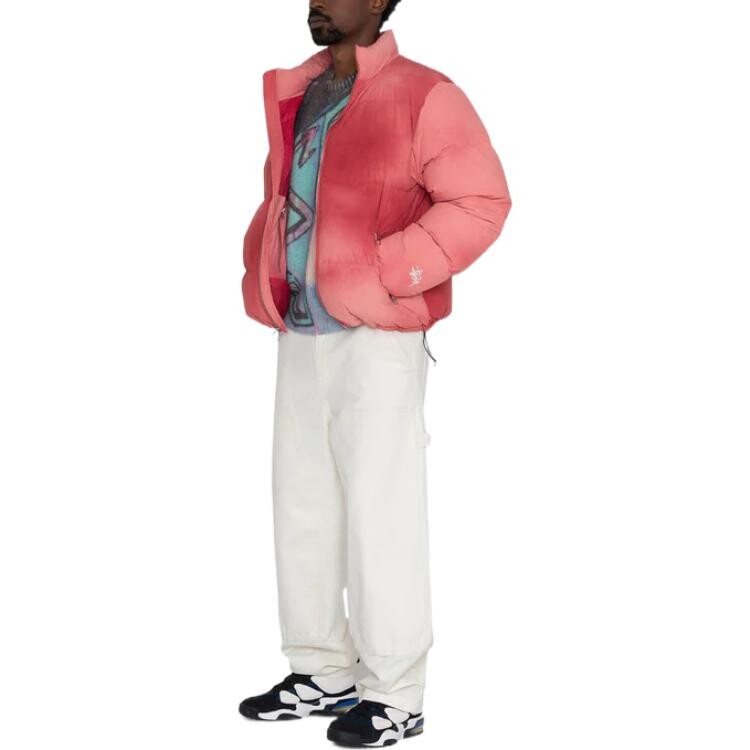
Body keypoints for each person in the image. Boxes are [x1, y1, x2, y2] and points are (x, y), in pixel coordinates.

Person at [239, 1, 512, 745]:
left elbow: (482, 202)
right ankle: (321, 670)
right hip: (300, 327)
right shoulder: (303, 90)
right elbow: (287, 197)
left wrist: (385, 271)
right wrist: (261, 261)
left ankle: (396, 693)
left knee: (380, 510)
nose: (317, 1)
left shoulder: (425, 94)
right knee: (302, 504)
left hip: (379, 335)